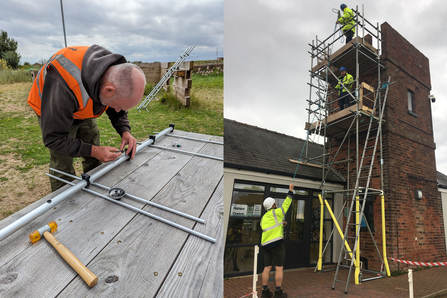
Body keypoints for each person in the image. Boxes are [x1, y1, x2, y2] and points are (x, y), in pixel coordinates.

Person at [27, 45, 146, 191]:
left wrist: (124, 130)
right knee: (63, 161)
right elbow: (54, 139)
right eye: (119, 106)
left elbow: (117, 106)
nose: (118, 110)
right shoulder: (63, 82)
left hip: (80, 104)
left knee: (93, 146)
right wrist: (95, 151)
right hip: (52, 108)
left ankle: (93, 191)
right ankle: (65, 203)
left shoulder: (111, 70)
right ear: (108, 90)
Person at [260, 183, 295, 298]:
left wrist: (281, 224)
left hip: (265, 245)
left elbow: (270, 227)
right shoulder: (277, 212)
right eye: (275, 203)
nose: (276, 204)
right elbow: (287, 203)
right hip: (277, 244)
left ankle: (265, 292)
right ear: (273, 205)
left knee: (267, 268)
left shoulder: (264, 217)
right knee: (279, 268)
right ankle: (278, 293)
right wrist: (290, 190)